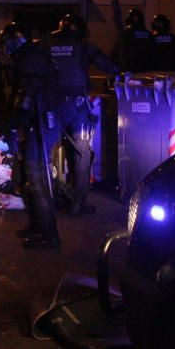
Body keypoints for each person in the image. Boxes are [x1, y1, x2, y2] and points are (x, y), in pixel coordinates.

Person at [45, 14, 119, 216]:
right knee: (82, 154)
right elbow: (108, 67)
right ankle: (78, 204)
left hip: (50, 106)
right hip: (77, 106)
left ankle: (48, 200)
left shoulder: (48, 46)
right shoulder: (85, 47)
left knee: (45, 152)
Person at [0, 22, 60, 249]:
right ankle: (37, 225)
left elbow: (28, 93)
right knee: (25, 176)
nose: (4, 48)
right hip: (35, 121)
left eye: (6, 43)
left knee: (37, 179)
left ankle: (49, 234)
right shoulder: (26, 56)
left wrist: (15, 123)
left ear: (15, 41)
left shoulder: (31, 58)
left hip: (42, 122)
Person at [112, 8, 156, 73]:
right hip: (146, 71)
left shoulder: (126, 34)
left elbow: (116, 53)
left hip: (129, 71)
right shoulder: (149, 35)